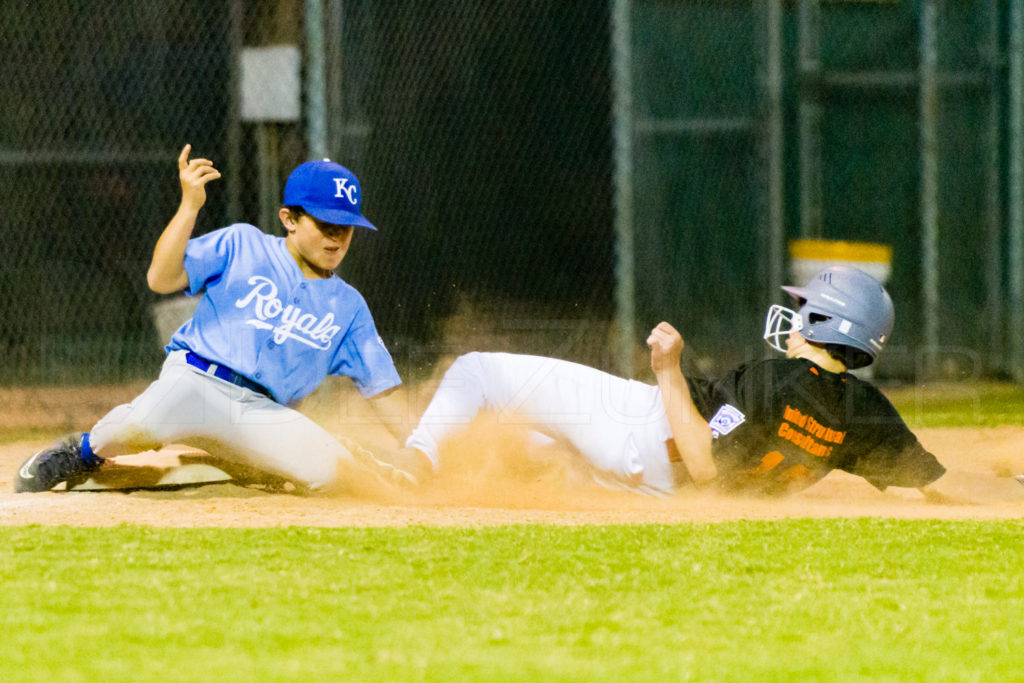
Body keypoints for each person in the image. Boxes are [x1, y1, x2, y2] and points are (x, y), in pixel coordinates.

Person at [403, 265, 1024, 503]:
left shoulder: (775, 379)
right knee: (533, 450)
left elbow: (701, 459)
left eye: (807, 308)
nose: (793, 316)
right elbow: (938, 486)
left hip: (644, 432)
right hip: (662, 494)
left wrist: (668, 367)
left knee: (477, 371)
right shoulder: (866, 411)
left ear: (824, 323)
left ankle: (409, 468)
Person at [15, 145, 411, 493]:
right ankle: (79, 452)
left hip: (264, 414)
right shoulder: (243, 243)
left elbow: (383, 390)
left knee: (333, 473)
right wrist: (189, 206)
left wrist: (421, 450)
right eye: (325, 224)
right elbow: (160, 278)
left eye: (346, 227)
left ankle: (262, 462)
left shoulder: (350, 306)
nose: (337, 237)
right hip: (196, 382)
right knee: (134, 429)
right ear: (289, 219)